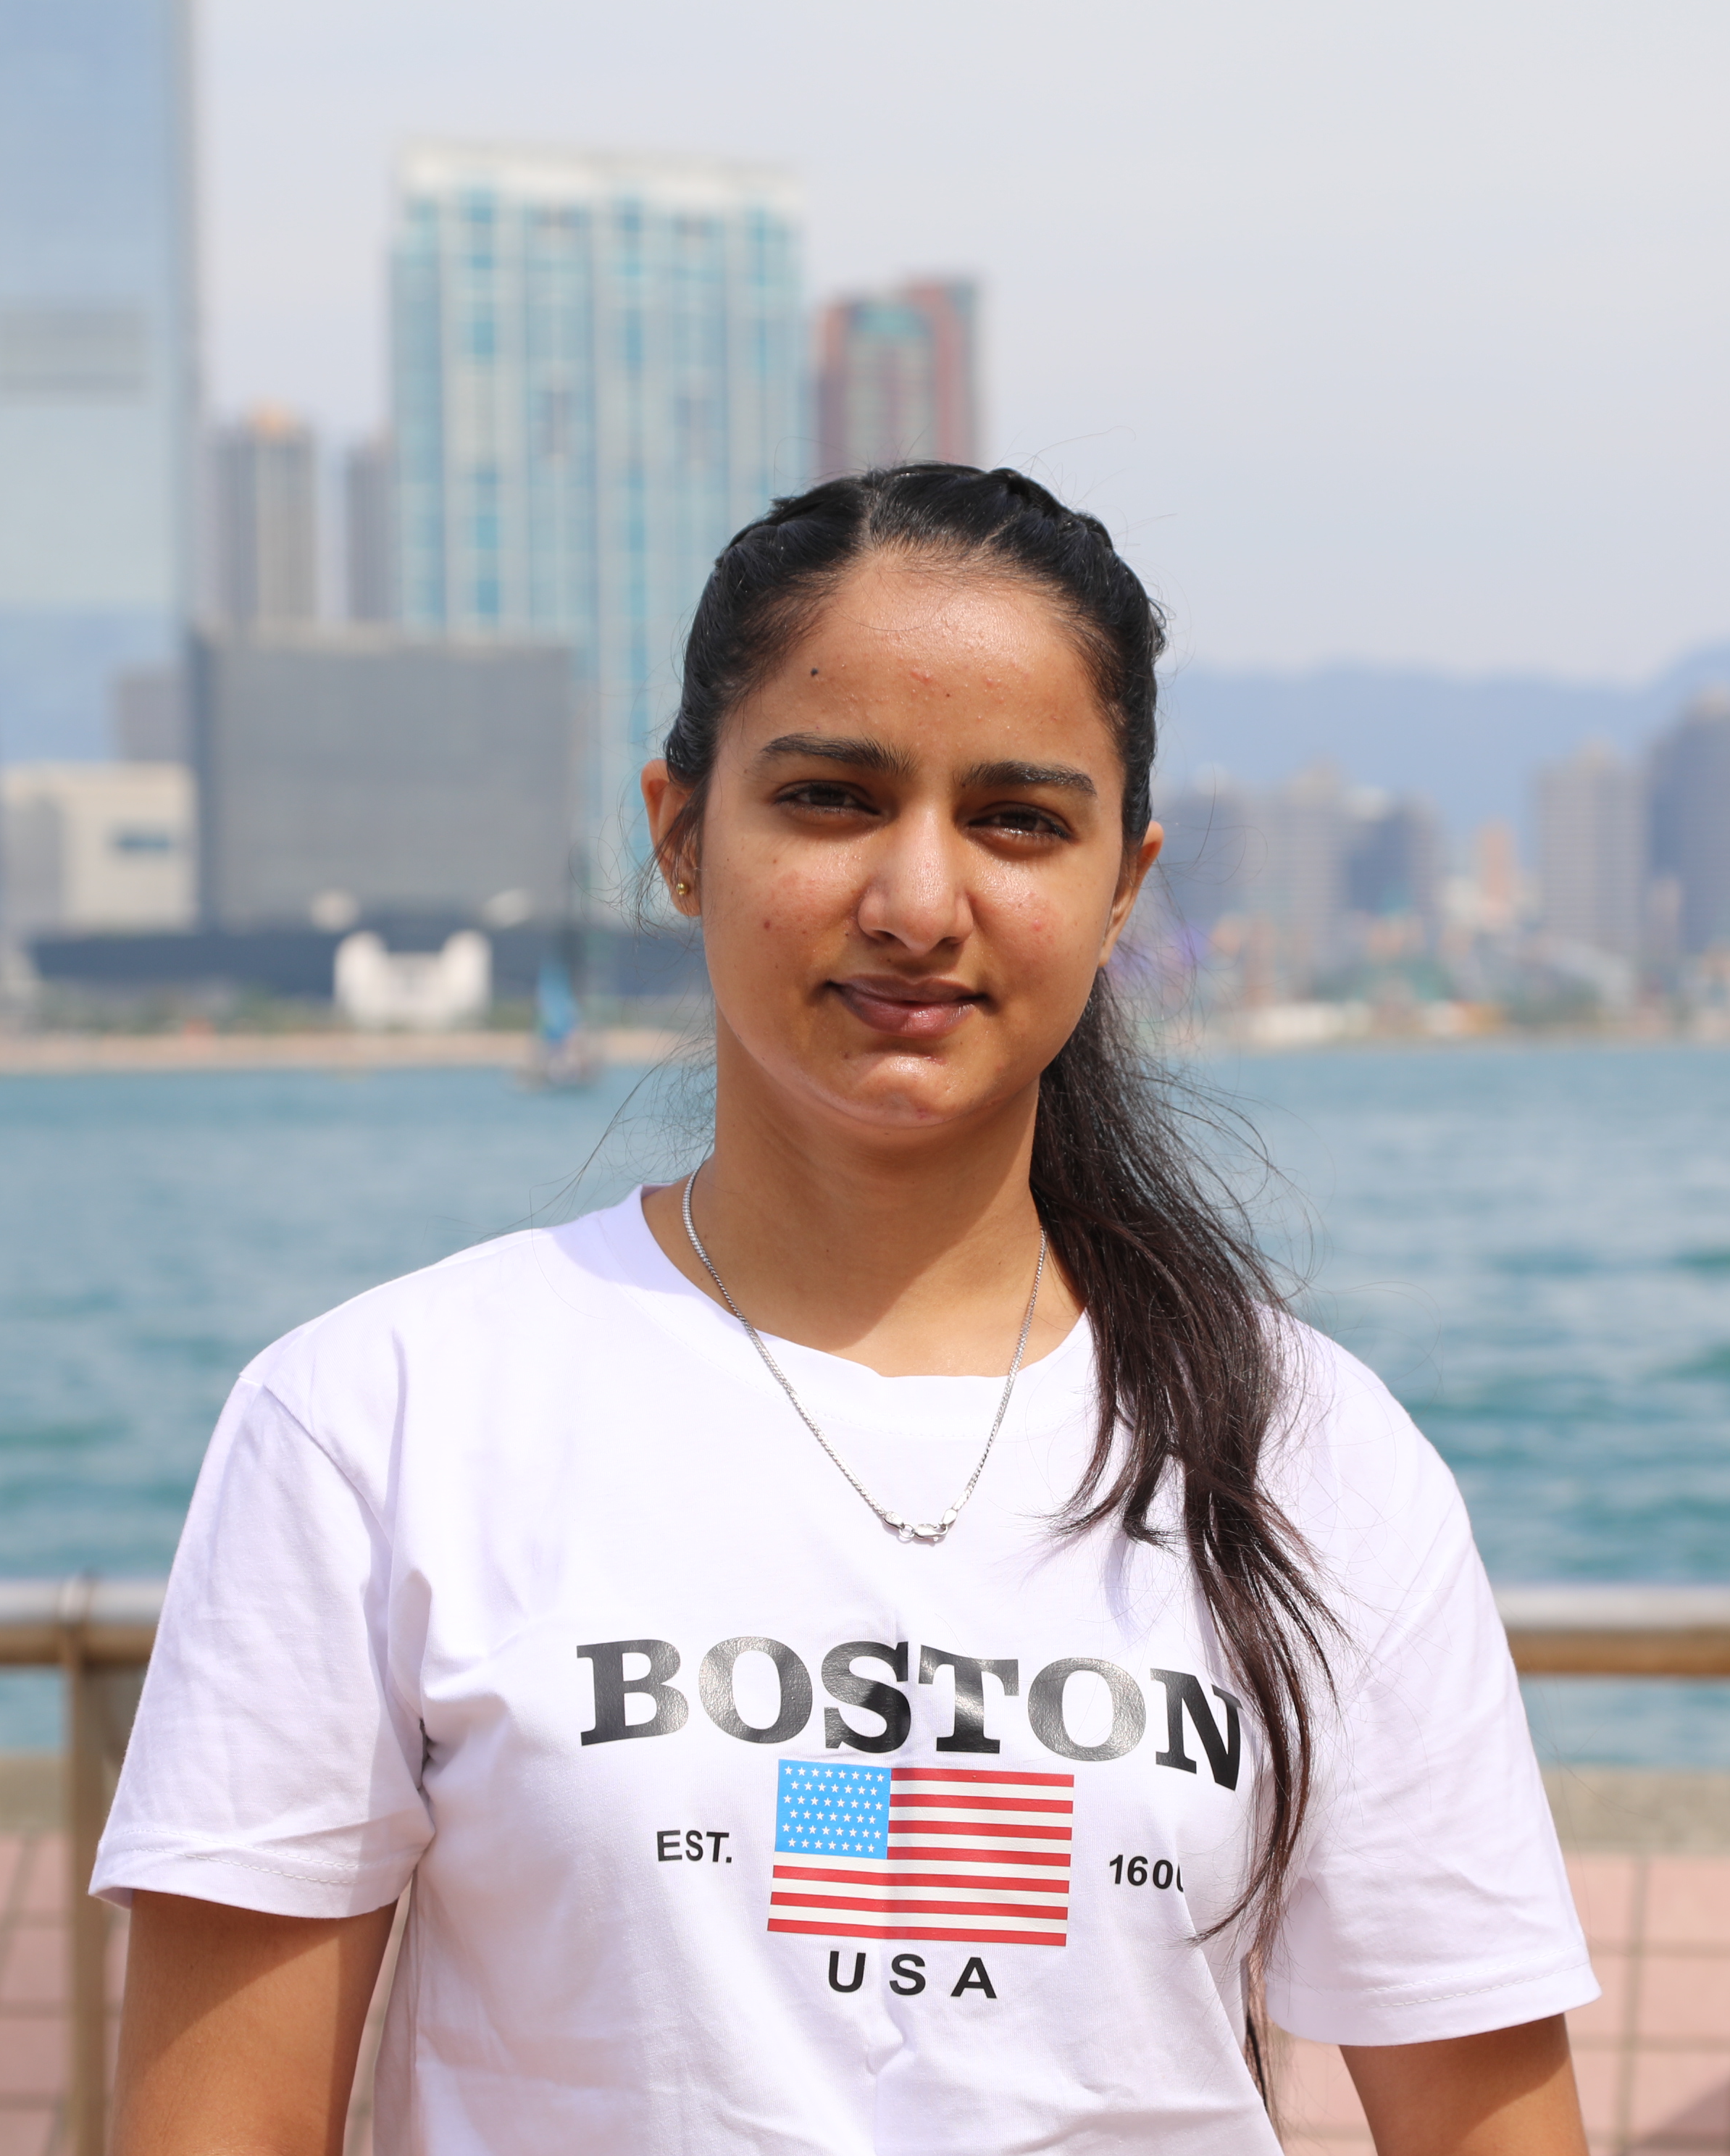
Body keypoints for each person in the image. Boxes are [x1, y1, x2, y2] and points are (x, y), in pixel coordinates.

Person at [95, 464, 1596, 2154]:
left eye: (1020, 821)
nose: (919, 900)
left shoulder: (1313, 1452)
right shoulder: (379, 1417)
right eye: (830, 797)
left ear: (1123, 885)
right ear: (679, 830)